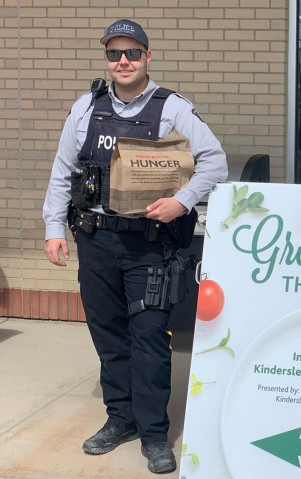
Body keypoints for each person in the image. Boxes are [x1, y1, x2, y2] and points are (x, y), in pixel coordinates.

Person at [42, 19, 227, 474]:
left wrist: (182, 202)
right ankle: (119, 419)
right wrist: (53, 227)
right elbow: (63, 170)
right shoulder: (85, 107)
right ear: (107, 59)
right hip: (96, 241)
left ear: (147, 56)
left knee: (148, 338)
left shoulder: (172, 109)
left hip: (148, 247)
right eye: (113, 54)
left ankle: (154, 434)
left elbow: (215, 162)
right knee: (109, 335)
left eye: (131, 52)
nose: (122, 61)